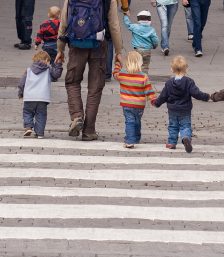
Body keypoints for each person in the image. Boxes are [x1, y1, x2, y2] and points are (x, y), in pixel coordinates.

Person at [55, 0, 123, 141]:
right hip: (99, 45)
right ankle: (89, 130)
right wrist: (118, 51)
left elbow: (64, 23)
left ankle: (77, 116)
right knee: (95, 87)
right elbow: (114, 25)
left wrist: (60, 48)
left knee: (72, 82)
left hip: (76, 43)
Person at [153, 55, 210, 153]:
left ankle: (171, 142)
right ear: (186, 69)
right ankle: (185, 138)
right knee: (185, 126)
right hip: (185, 109)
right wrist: (206, 97)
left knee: (173, 125)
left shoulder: (169, 83)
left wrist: (157, 103)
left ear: (172, 69)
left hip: (172, 109)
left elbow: (163, 96)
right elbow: (196, 93)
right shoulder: (189, 82)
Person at [113, 51, 156, 149]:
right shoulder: (143, 76)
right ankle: (136, 137)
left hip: (126, 104)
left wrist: (117, 63)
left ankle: (129, 140)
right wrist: (153, 99)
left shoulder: (122, 74)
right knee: (137, 121)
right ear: (140, 63)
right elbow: (149, 90)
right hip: (139, 105)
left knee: (129, 121)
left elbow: (115, 74)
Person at [18, 51, 63, 138]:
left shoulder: (28, 70)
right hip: (42, 98)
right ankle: (40, 133)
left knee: (27, 112)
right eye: (49, 62)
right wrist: (58, 64)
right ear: (46, 60)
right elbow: (56, 75)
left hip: (29, 97)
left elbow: (21, 83)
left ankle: (28, 127)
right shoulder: (48, 70)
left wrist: (20, 93)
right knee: (41, 115)